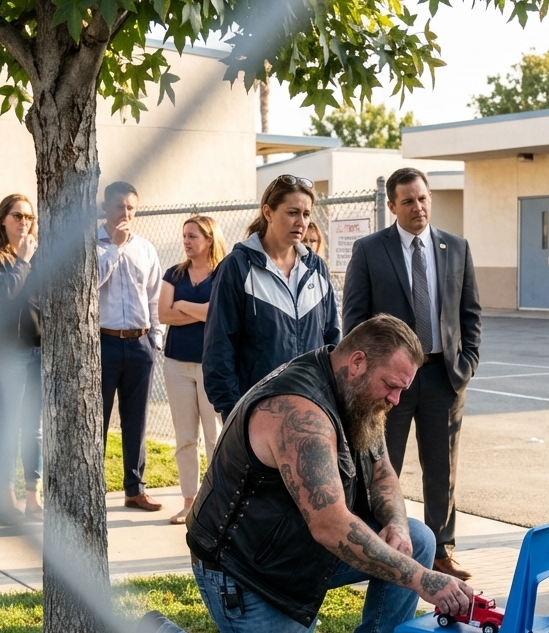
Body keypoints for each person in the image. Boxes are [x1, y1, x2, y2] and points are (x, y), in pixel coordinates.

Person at [126, 315, 474, 633]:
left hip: (295, 551)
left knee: (416, 537)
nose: (397, 400)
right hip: (244, 569)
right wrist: (423, 580)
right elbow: (330, 525)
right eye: (392, 386)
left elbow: (382, 474)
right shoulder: (298, 413)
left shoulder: (356, 393)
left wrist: (396, 524)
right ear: (358, 361)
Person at [342, 168, 481, 581]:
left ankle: (440, 551)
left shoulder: (455, 247)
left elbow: (470, 312)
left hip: (443, 377)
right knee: (383, 467)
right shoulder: (369, 250)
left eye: (423, 199)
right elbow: (355, 320)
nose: (418, 207)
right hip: (388, 384)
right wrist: (366, 378)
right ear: (392, 206)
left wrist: (467, 362)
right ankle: (380, 548)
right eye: (408, 201)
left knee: (443, 470)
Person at [202, 176, 340, 422]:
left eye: (307, 214)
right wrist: (234, 411)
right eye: (292, 212)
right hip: (256, 413)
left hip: (313, 409)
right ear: (268, 212)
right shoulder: (237, 266)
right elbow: (219, 347)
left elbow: (332, 339)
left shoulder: (316, 267)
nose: (301, 222)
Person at [97, 181, 164, 512]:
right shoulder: (91, 245)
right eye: (119, 206)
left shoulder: (146, 248)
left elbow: (154, 297)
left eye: (131, 208)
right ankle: (92, 488)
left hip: (140, 344)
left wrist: (156, 339)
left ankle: (134, 489)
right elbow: (91, 282)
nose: (125, 213)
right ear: (105, 208)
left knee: (135, 420)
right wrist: (114, 248)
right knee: (98, 419)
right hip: (104, 343)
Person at [0, 193, 42, 521]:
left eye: (28, 217)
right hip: (7, 353)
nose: (23, 222)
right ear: (3, 219)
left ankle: (33, 498)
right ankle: (7, 497)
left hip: (38, 350)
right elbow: (3, 292)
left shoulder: (39, 256)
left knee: (34, 428)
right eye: (17, 216)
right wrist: (23, 262)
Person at [160, 215, 227, 525]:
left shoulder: (224, 273)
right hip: (176, 364)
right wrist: (199, 311)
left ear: (209, 239)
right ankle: (189, 502)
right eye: (184, 236)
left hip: (211, 365)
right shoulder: (173, 274)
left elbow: (219, 313)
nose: (186, 241)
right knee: (186, 438)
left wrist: (182, 305)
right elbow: (163, 314)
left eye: (193, 237)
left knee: (215, 438)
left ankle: (214, 503)